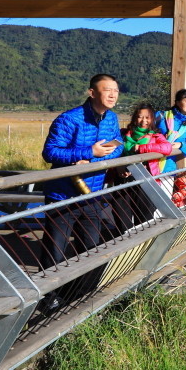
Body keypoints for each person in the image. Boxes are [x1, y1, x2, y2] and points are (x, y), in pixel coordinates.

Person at [39, 74, 123, 269]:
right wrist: (88, 152)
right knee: (55, 252)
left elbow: (118, 145)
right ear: (92, 93)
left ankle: (80, 293)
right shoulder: (69, 119)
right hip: (63, 196)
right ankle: (49, 297)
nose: (112, 95)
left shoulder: (111, 118)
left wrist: (95, 157)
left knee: (91, 250)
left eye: (116, 91)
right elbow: (50, 152)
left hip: (91, 195)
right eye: (107, 90)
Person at [155, 89, 186, 173]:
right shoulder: (160, 116)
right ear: (177, 102)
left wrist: (181, 145)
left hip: (167, 171)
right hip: (146, 167)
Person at [122, 102, 176, 175]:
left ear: (152, 119)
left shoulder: (155, 136)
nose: (144, 121)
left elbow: (167, 147)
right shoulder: (124, 134)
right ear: (135, 118)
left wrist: (141, 148)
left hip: (147, 177)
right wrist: (120, 168)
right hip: (124, 178)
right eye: (140, 117)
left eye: (147, 118)